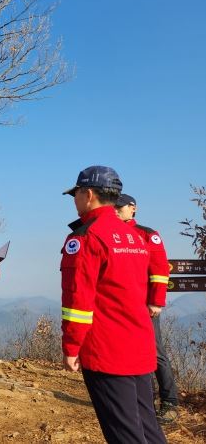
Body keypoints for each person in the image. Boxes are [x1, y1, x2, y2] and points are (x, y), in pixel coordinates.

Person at [61, 166, 166, 444]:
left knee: (125, 434)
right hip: (141, 345)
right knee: (148, 427)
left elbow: (78, 302)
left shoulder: (85, 237)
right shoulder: (134, 236)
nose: (74, 200)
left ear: (89, 194)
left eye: (76, 194)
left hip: (107, 351)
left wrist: (72, 346)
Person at [115, 193, 178, 424]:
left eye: (121, 207)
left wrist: (156, 301)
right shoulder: (110, 234)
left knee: (154, 352)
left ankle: (170, 402)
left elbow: (161, 270)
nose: (116, 210)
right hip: (120, 307)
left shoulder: (147, 234)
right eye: (114, 207)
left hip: (144, 306)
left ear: (133, 208)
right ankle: (142, 402)